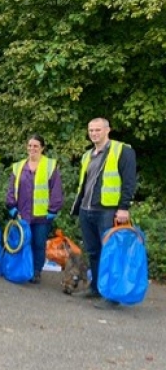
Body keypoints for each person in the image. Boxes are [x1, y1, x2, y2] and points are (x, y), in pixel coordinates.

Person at [71, 117, 137, 305]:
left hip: (108, 211)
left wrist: (124, 207)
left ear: (107, 130)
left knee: (112, 252)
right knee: (93, 252)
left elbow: (129, 181)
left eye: (98, 130)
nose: (94, 133)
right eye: (91, 130)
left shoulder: (122, 151)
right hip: (87, 209)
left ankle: (112, 295)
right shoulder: (87, 155)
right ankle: (96, 288)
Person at [6, 134, 64, 284]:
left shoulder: (50, 165)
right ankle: (22, 269)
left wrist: (53, 210)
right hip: (22, 213)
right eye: (30, 145)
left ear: (42, 148)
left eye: (36, 146)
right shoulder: (18, 166)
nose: (32, 148)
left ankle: (36, 271)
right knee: (22, 242)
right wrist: (11, 205)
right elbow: (11, 188)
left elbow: (56, 189)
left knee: (38, 244)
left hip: (42, 215)